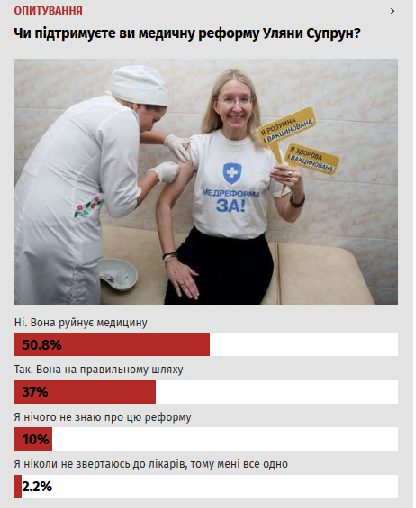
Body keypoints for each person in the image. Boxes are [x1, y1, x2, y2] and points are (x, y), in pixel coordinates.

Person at [14, 65, 187, 305]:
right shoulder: (123, 118)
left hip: (27, 215)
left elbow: (121, 132)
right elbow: (121, 205)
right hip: (62, 230)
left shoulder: (96, 106)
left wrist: (167, 139)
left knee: (32, 289)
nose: (151, 127)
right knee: (72, 299)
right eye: (154, 120)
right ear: (137, 105)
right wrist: (156, 174)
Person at [156, 69, 305, 305]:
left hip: (250, 254)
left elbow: (288, 215)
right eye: (229, 99)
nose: (237, 107)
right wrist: (170, 259)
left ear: (252, 104)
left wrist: (298, 192)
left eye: (244, 99)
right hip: (201, 247)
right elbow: (164, 202)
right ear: (216, 105)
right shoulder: (199, 146)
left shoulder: (270, 152)